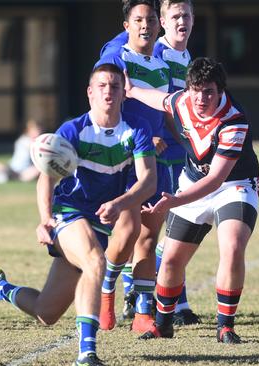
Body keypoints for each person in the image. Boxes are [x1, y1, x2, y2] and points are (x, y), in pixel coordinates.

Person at [0, 63, 157, 366]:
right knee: (96, 261)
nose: (108, 91)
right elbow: (47, 177)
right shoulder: (73, 130)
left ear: (124, 93)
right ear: (90, 92)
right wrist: (45, 219)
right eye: (102, 86)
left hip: (101, 219)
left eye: (115, 86)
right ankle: (86, 353)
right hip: (68, 212)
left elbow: (149, 181)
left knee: (47, 312)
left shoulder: (136, 129)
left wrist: (121, 203)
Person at [123, 56, 259, 343]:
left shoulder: (234, 119)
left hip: (235, 185)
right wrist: (132, 90)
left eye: (208, 91)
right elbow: (161, 100)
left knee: (233, 246)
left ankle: (225, 325)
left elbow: (216, 179)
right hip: (193, 182)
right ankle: (162, 324)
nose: (201, 97)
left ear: (220, 91)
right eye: (196, 90)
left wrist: (174, 200)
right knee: (171, 260)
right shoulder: (183, 101)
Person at [94, 0, 172, 333]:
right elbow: (106, 107)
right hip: (128, 160)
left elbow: (165, 115)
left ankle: (142, 315)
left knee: (149, 238)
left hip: (159, 160)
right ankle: (107, 293)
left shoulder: (162, 65)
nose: (145, 25)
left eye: (151, 19)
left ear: (160, 24)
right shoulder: (115, 58)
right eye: (138, 19)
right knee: (126, 233)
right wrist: (142, 138)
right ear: (126, 25)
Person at [0, 120, 41, 184]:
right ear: (29, 131)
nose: (38, 133)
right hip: (13, 168)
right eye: (35, 130)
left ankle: (10, 177)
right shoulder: (24, 140)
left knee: (38, 170)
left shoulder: (36, 142)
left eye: (39, 130)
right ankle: (7, 176)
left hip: (25, 170)